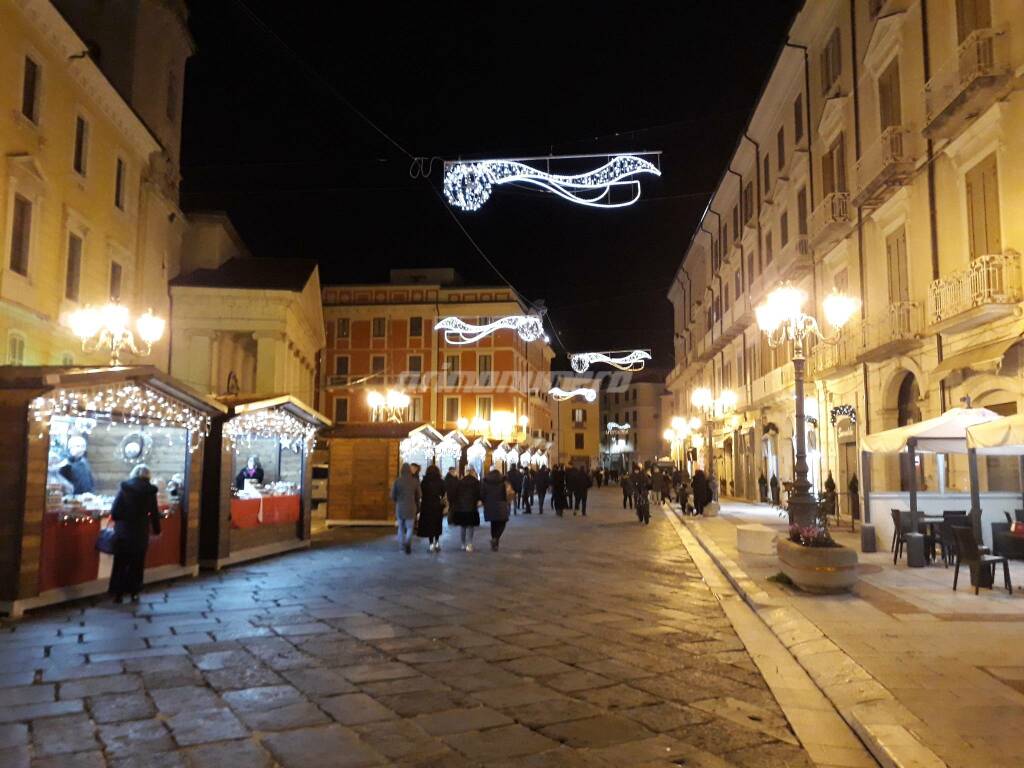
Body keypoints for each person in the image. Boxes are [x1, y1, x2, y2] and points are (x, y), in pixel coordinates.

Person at [108, 464, 161, 603]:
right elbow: (154, 513)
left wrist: (121, 520)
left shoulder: (124, 488)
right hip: (140, 532)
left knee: (120, 562)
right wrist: (157, 530)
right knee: (137, 563)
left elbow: (115, 511)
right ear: (148, 476)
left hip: (123, 531)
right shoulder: (150, 492)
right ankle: (134, 592)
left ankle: (118, 594)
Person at [391, 463, 421, 554]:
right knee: (409, 528)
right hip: (411, 507)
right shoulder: (415, 481)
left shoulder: (397, 481)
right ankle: (408, 542)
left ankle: (401, 547)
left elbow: (392, 495)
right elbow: (419, 495)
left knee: (400, 528)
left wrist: (397, 500)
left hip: (400, 507)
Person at [451, 467, 482, 551]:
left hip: (461, 507)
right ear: (473, 473)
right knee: (471, 527)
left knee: (463, 526)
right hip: (472, 507)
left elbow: (455, 494)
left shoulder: (460, 482)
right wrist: (478, 500)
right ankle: (470, 544)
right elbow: (479, 494)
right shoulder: (476, 482)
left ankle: (462, 544)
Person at [481, 466, 511, 551]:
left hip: (489, 504)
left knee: (493, 523)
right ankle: (496, 539)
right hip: (501, 504)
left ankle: (495, 541)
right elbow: (507, 493)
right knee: (502, 522)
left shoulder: (485, 481)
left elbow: (482, 494)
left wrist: (485, 502)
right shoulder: (503, 480)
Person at [418, 465, 446, 552]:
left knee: (429, 525)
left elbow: (421, 493)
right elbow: (443, 492)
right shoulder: (440, 481)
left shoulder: (424, 481)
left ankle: (431, 545)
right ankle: (437, 543)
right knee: (437, 524)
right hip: (437, 505)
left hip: (427, 505)